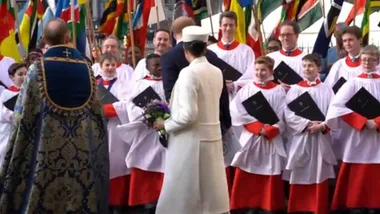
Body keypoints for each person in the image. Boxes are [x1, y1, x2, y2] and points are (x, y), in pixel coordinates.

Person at [0, 18, 109, 213]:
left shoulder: (36, 70)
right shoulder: (87, 69)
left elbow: (23, 114)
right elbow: (97, 117)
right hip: (81, 154)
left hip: (45, 152)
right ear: (67, 37)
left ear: (44, 40)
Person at [153, 25, 230, 214]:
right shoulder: (216, 71)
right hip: (211, 138)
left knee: (183, 199)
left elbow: (188, 114)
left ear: (185, 50)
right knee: (210, 199)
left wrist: (165, 124)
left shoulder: (188, 73)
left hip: (190, 141)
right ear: (205, 47)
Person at [326, 45, 380, 213]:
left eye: (371, 59)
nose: (367, 62)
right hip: (357, 135)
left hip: (377, 135)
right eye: (364, 59)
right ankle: (354, 204)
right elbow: (337, 106)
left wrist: (377, 122)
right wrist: (363, 122)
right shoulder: (353, 82)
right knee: (356, 171)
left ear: (377, 61)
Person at [229, 56, 287, 213]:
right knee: (247, 168)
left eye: (263, 70)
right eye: (257, 70)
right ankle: (245, 205)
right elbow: (237, 111)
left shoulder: (279, 90)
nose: (260, 73)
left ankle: (269, 206)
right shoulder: (247, 89)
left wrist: (272, 129)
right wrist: (257, 128)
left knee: (270, 170)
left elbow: (284, 113)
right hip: (252, 137)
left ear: (271, 72)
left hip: (271, 138)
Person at [161, 16, 231, 139]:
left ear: (173, 33)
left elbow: (170, 95)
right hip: (215, 124)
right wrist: (226, 122)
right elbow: (223, 95)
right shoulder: (213, 56)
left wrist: (167, 124)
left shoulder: (169, 57)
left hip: (186, 129)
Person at [285, 54, 336, 214]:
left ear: (319, 69)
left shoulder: (327, 89)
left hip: (320, 137)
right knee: (300, 168)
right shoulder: (295, 89)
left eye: (311, 66)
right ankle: (298, 207)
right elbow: (287, 113)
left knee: (319, 170)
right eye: (305, 66)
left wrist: (322, 126)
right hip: (301, 137)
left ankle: (317, 207)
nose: (307, 69)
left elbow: (333, 112)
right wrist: (306, 124)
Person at [118, 53, 166, 213]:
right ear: (147, 68)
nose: (159, 67)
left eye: (161, 64)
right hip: (146, 131)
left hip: (166, 130)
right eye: (155, 65)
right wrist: (148, 117)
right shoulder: (139, 85)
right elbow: (132, 106)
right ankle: (146, 201)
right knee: (145, 162)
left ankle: (163, 199)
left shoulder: (171, 82)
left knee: (165, 166)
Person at [97, 53, 130, 214]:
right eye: (107, 65)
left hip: (115, 129)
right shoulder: (93, 83)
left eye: (112, 65)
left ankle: (117, 202)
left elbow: (126, 105)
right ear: (100, 66)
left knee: (116, 162)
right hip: (98, 128)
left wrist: (104, 110)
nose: (110, 68)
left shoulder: (124, 85)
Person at [208, 11, 255, 94]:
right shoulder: (210, 50)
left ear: (236, 26)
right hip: (217, 94)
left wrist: (235, 85)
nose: (228, 28)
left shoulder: (246, 51)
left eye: (231, 25)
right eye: (225, 25)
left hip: (238, 94)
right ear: (220, 26)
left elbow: (251, 75)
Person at [0, 63, 27, 167]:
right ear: (12, 77)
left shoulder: (30, 92)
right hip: (9, 131)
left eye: (26, 74)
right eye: (20, 74)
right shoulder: (6, 93)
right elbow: (2, 114)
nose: (24, 77)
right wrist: (18, 115)